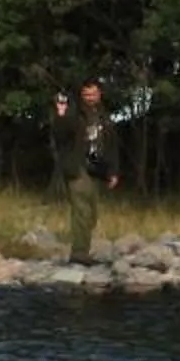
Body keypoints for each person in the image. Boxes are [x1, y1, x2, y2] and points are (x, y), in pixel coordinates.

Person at [51, 80, 118, 263]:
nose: (89, 98)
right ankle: (79, 253)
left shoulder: (104, 116)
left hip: (98, 168)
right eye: (86, 94)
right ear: (82, 95)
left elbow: (112, 145)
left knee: (92, 212)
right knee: (81, 210)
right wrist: (61, 113)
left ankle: (83, 249)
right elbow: (60, 134)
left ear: (99, 94)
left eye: (93, 94)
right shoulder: (75, 114)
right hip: (78, 166)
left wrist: (113, 171)